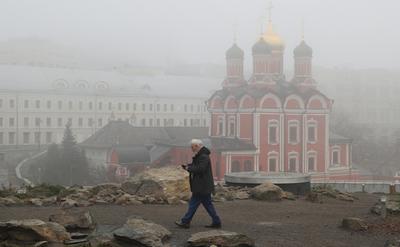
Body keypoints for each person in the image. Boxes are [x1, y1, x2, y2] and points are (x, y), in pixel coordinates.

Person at [175, 139, 221, 229]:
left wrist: (189, 168)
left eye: (192, 147)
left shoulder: (203, 156)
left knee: (193, 204)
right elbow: (197, 165)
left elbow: (201, 169)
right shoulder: (202, 155)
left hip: (201, 185)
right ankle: (216, 221)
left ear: (197, 146)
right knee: (207, 204)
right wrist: (188, 166)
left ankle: (185, 221)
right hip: (203, 185)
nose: (191, 149)